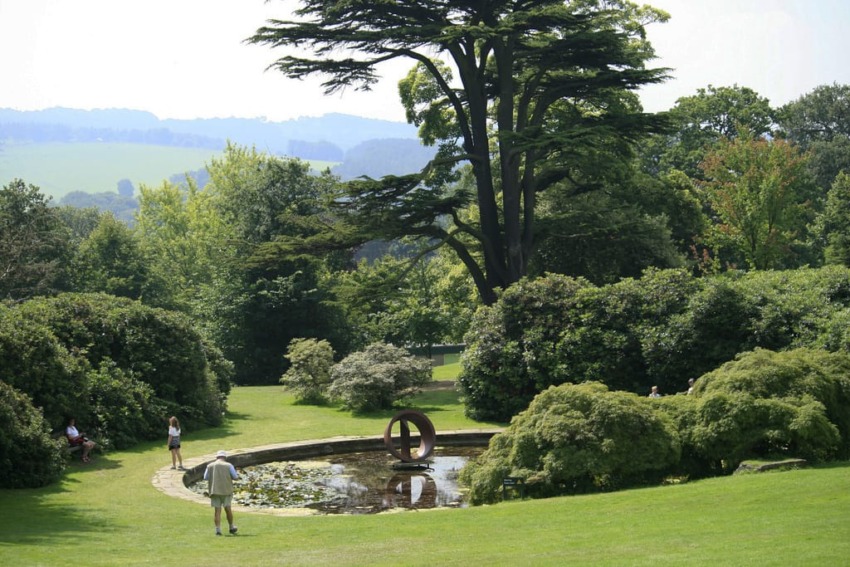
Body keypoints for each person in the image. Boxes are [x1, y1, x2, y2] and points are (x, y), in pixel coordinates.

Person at [204, 450, 239, 536]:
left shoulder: (209, 466)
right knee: (228, 509)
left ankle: (218, 530)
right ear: (225, 457)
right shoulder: (229, 465)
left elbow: (205, 477)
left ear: (217, 457)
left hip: (214, 490)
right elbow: (235, 477)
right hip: (226, 490)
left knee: (217, 511)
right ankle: (231, 527)